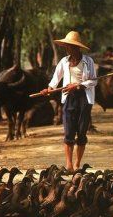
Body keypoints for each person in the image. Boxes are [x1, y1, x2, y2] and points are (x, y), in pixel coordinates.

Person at [40, 31, 97, 173]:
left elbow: (93, 81)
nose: (67, 48)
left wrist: (77, 85)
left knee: (82, 133)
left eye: (70, 46)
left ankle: (77, 164)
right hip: (69, 99)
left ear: (77, 47)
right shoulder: (64, 61)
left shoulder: (88, 61)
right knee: (68, 133)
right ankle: (69, 165)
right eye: (66, 45)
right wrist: (49, 89)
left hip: (84, 98)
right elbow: (55, 78)